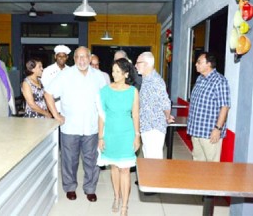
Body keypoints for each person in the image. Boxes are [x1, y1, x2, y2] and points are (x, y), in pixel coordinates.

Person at [44, 46, 106, 202]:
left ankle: (90, 189)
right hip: (70, 127)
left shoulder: (99, 76)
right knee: (69, 160)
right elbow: (48, 94)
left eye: (84, 56)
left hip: (92, 126)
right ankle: (70, 187)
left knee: (91, 160)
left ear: (90, 57)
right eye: (78, 57)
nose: (81, 60)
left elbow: (106, 100)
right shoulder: (65, 75)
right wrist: (56, 115)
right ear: (74, 59)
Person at [97, 58, 140, 216]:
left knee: (125, 170)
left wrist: (137, 136)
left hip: (127, 133)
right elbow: (101, 116)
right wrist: (100, 137)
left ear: (126, 74)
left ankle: (125, 206)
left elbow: (135, 115)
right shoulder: (105, 91)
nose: (113, 74)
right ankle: (116, 197)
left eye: (117, 72)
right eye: (113, 71)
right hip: (110, 133)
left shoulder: (133, 91)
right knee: (114, 167)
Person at [187, 52, 230, 162]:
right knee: (197, 161)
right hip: (196, 130)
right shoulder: (199, 79)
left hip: (209, 132)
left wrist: (218, 129)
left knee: (212, 166)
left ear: (209, 64)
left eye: (199, 62)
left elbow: (224, 107)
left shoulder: (220, 81)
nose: (196, 64)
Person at [135, 51, 174, 159]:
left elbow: (165, 102)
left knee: (154, 163)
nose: (135, 65)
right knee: (149, 161)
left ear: (147, 64)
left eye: (138, 63)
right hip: (147, 126)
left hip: (154, 128)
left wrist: (167, 116)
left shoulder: (155, 81)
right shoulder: (146, 79)